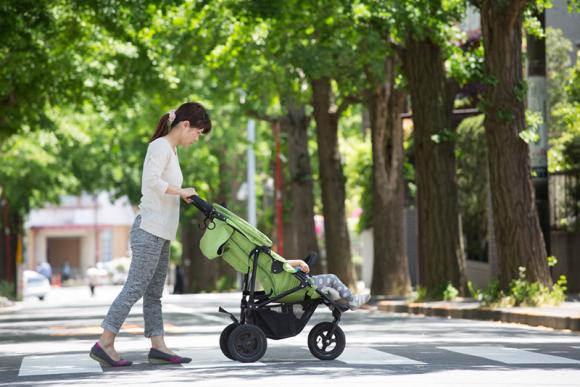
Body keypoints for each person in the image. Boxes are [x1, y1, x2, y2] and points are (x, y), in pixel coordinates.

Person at [90, 102, 211, 367]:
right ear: (185, 125)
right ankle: (105, 342)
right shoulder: (159, 147)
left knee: (154, 293)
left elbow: (163, 184)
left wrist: (183, 196)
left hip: (162, 232)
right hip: (149, 230)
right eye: (197, 133)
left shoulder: (172, 150)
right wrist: (181, 192)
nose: (196, 139)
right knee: (134, 288)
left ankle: (158, 345)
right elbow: (151, 182)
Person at [287, 259, 370, 310]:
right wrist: (300, 262)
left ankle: (346, 303)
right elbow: (283, 263)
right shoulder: (274, 261)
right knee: (331, 278)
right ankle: (352, 299)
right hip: (300, 285)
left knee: (329, 290)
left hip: (296, 284)